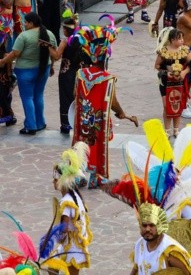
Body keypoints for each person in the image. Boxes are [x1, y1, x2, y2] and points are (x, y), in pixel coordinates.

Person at [71, 19, 137, 188]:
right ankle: (96, 176)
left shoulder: (80, 74)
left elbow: (75, 94)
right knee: (98, 144)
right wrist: (121, 112)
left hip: (82, 119)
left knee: (81, 143)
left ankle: (78, 174)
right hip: (98, 120)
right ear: (106, 56)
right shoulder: (108, 78)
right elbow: (112, 101)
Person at [0, 11, 54, 135]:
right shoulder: (49, 34)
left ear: (31, 23)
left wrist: (3, 61)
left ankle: (30, 126)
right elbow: (53, 53)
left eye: (26, 22)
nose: (24, 24)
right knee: (38, 95)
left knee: (27, 97)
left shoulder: (24, 36)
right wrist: (51, 66)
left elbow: (15, 53)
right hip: (44, 68)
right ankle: (40, 123)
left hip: (26, 71)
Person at [50, 142, 92, 275]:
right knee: (51, 268)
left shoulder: (67, 202)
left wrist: (58, 237)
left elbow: (64, 227)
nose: (53, 181)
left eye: (55, 179)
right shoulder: (75, 195)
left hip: (73, 247)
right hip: (70, 244)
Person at [130, 203, 191, 275]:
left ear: (160, 225)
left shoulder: (171, 252)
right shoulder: (139, 244)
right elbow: (136, 267)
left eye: (152, 225)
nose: (147, 229)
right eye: (144, 225)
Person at [47, 17, 84, 135]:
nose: (63, 31)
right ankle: (79, 123)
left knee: (65, 98)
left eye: (64, 29)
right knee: (78, 98)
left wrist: (48, 46)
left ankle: (66, 124)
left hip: (66, 73)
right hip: (79, 74)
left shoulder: (65, 41)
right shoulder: (82, 40)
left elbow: (57, 56)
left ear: (67, 30)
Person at [155, 28, 191, 138]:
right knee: (166, 105)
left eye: (182, 38)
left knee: (177, 105)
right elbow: (157, 65)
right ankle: (167, 130)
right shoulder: (164, 51)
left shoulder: (185, 50)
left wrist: (184, 72)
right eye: (179, 38)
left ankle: (176, 130)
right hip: (166, 81)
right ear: (172, 40)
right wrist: (166, 73)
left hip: (179, 81)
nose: (182, 40)